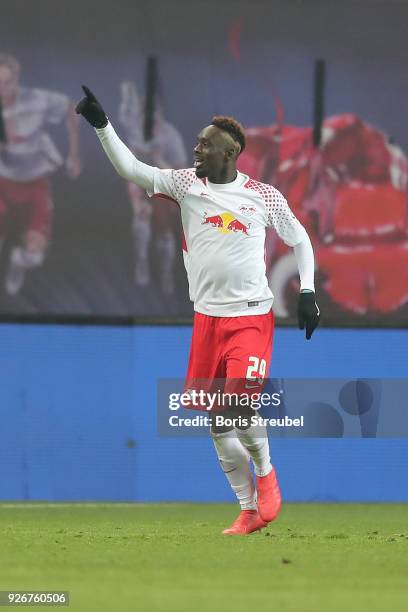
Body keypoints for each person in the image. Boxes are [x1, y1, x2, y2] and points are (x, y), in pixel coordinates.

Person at [76, 86, 320, 535]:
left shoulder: (263, 197)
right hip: (207, 319)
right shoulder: (186, 184)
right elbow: (132, 169)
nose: (196, 148)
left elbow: (300, 238)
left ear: (230, 152)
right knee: (216, 422)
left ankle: (266, 473)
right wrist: (101, 124)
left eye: (205, 144)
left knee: (235, 409)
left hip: (250, 315)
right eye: (197, 143)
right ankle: (248, 509)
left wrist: (307, 290)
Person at [0, 54, 81, 295]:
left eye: (7, 83)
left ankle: (18, 262)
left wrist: (74, 154)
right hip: (3, 181)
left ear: (16, 80)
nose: (2, 90)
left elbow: (71, 108)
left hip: (34, 182)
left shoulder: (35, 100)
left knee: (35, 253)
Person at [119, 81, 187, 293]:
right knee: (141, 214)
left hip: (163, 181)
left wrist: (160, 160)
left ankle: (165, 271)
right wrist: (126, 90)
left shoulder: (171, 136)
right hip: (138, 177)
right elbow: (124, 111)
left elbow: (179, 175)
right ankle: (141, 261)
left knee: (165, 232)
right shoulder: (133, 124)